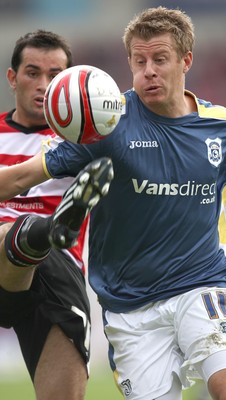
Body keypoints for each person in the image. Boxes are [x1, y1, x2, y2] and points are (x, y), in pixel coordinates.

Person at [0, 7, 226, 400]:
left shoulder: (222, 126)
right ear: (128, 63)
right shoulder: (104, 125)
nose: (149, 71)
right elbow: (22, 177)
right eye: (139, 61)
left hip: (205, 284)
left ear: (185, 60)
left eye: (160, 59)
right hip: (131, 307)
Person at [0, 30, 113, 400]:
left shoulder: (84, 138)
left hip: (56, 270)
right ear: (12, 77)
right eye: (33, 72)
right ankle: (40, 231)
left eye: (54, 75)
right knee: (15, 232)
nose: (43, 85)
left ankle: (42, 235)